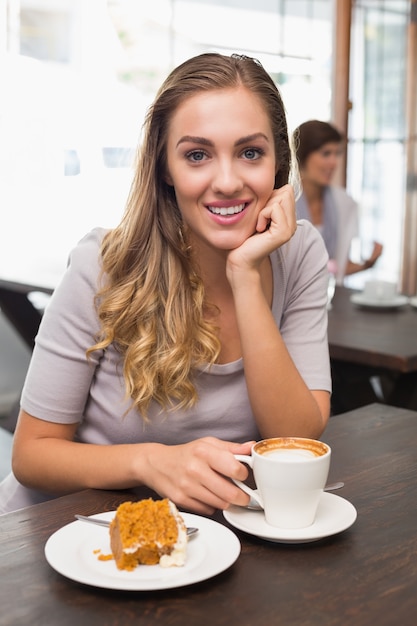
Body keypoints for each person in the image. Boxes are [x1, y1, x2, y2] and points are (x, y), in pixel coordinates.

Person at [0, 53, 331, 515]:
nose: (228, 181)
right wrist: (151, 463)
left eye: (250, 152)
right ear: (164, 169)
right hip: (63, 534)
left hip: (204, 542)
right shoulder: (104, 264)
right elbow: (31, 454)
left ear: (278, 164)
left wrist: (244, 277)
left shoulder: (299, 252)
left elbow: (294, 438)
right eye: (197, 155)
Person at [293, 120, 383, 285]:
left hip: (327, 300)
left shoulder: (345, 204)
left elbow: (337, 267)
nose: (334, 163)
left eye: (337, 153)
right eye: (326, 153)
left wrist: (367, 264)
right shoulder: (282, 202)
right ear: (303, 155)